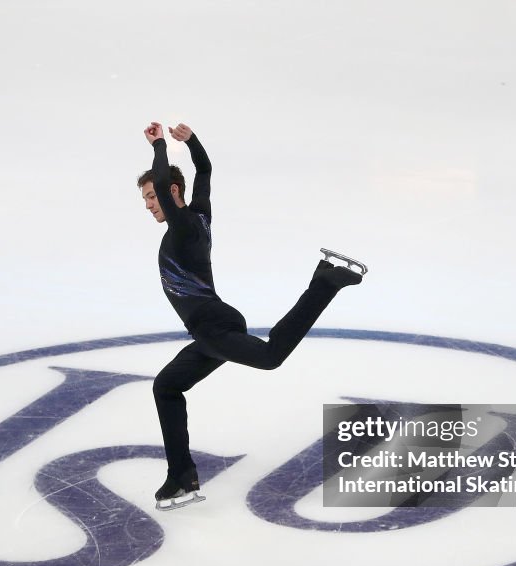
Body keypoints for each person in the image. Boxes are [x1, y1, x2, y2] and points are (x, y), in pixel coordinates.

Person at [138, 121, 366, 510]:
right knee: (167, 387)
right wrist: (191, 141)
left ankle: (324, 283)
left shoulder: (183, 229)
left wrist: (160, 145)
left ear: (172, 190)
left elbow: (165, 179)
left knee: (270, 356)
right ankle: (182, 476)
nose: (148, 205)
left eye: (151, 197)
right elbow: (206, 171)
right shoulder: (200, 216)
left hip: (211, 326)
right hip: (211, 328)